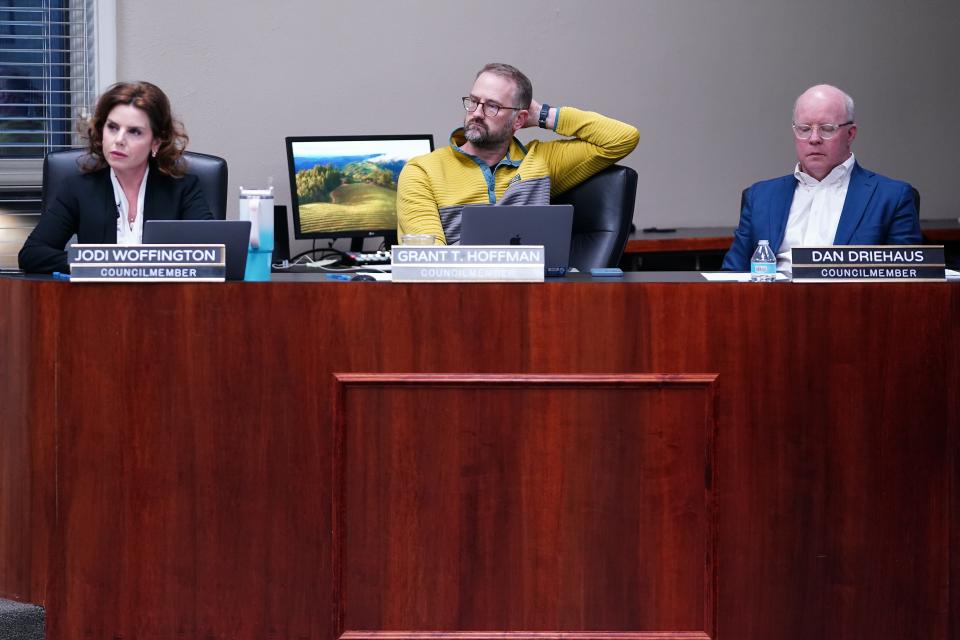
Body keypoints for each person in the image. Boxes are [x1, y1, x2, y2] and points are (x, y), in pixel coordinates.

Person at [397, 63, 638, 244]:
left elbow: (621, 139)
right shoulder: (422, 171)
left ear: (519, 119)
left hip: (533, 298)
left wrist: (543, 115)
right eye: (473, 101)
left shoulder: (541, 162)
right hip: (459, 298)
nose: (477, 113)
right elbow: (426, 260)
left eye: (492, 106)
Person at [722, 84, 921, 273]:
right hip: (772, 303)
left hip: (850, 305)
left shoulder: (891, 198)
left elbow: (906, 284)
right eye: (805, 129)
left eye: (827, 128)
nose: (814, 138)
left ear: (850, 134)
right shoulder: (761, 196)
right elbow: (730, 276)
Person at [18, 81, 212, 273]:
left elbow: (213, 254)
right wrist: (96, 262)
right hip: (98, 301)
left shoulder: (182, 189)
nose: (119, 140)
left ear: (156, 143)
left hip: (165, 301)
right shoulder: (78, 189)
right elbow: (32, 254)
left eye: (134, 131)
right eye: (112, 127)